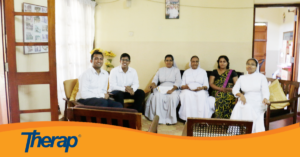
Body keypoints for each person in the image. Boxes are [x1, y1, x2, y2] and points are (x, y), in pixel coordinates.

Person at [230, 58, 270, 133]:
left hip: (258, 99)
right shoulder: (242, 78)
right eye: (248, 64)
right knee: (239, 106)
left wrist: (265, 98)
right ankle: (243, 131)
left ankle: (254, 132)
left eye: (252, 64)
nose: (250, 66)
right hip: (245, 98)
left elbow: (265, 90)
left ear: (256, 67)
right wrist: (241, 95)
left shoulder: (261, 77)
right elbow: (234, 89)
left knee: (252, 110)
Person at [145, 54, 181, 124]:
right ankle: (159, 119)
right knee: (157, 96)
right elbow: (155, 80)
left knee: (173, 97)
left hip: (173, 88)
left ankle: (170, 120)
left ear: (173, 62)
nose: (168, 62)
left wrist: (172, 90)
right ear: (165, 61)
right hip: (161, 88)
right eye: (167, 60)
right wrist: (152, 85)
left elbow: (178, 82)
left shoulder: (176, 70)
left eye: (170, 60)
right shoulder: (160, 70)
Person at [179, 56, 215, 120]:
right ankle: (188, 119)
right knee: (187, 94)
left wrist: (201, 88)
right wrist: (186, 87)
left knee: (202, 95)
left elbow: (206, 86)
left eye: (196, 61)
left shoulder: (203, 72)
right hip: (188, 90)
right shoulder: (186, 72)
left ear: (198, 63)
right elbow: (182, 85)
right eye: (193, 61)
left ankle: (200, 118)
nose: (195, 63)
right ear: (191, 62)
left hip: (200, 90)